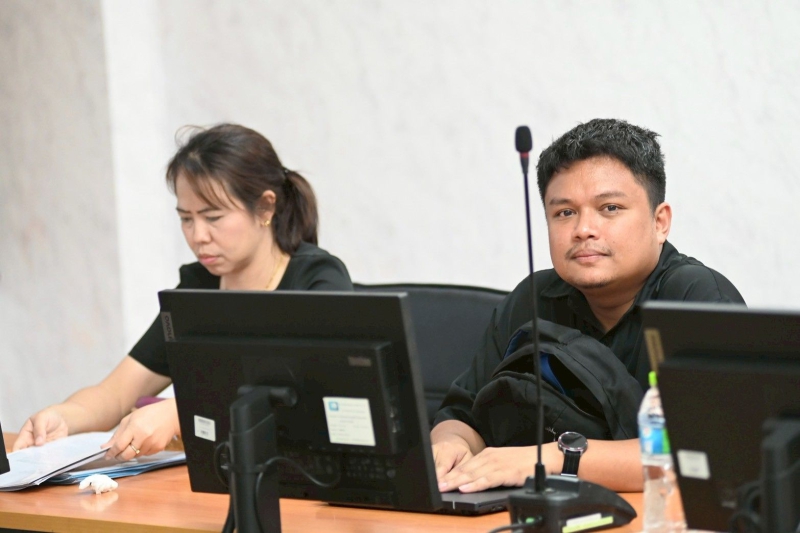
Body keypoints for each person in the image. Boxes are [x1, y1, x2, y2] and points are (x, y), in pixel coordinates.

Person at [431, 118, 744, 493]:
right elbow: (461, 415)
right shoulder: (532, 300)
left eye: (609, 208)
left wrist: (550, 459)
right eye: (564, 213)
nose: (583, 230)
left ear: (660, 222)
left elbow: (704, 456)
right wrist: (451, 444)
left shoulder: (697, 299)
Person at [14, 124, 353, 459]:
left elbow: (317, 395)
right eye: (186, 219)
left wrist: (180, 412)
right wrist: (63, 416)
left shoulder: (316, 279)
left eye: (213, 217)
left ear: (265, 208)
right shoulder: (197, 289)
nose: (198, 236)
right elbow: (116, 394)